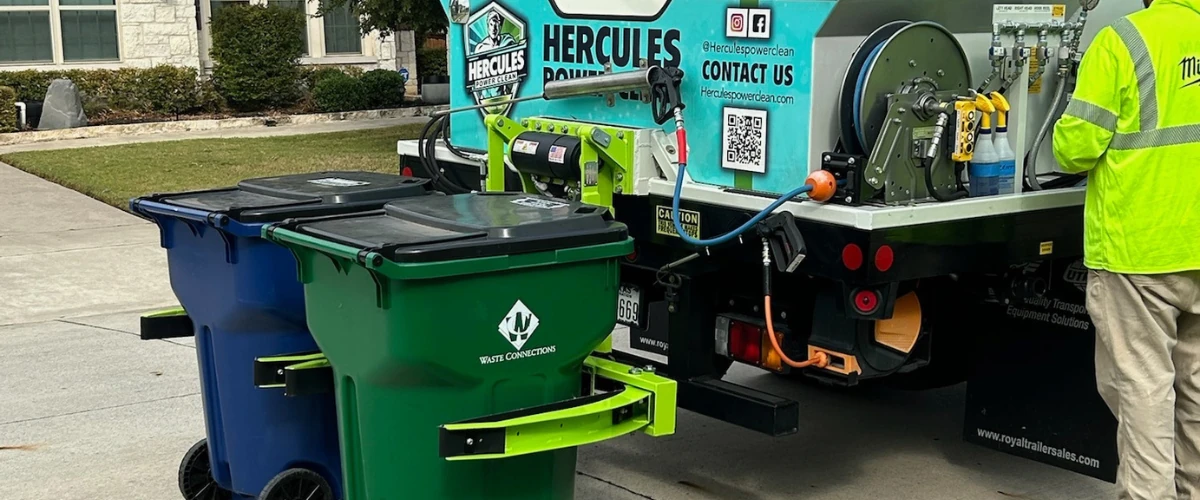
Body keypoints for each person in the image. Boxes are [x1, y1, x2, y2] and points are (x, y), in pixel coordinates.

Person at [1053, 0, 1200, 498]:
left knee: (1141, 390)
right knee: (1195, 395)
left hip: (1139, 249)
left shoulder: (1123, 40)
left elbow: (1075, 149)